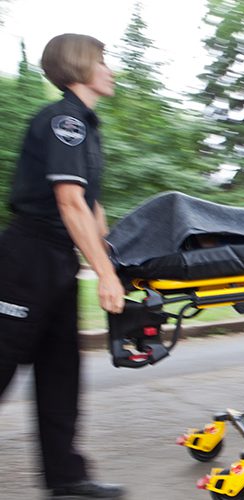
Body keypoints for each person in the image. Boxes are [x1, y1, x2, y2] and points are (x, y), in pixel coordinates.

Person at [0, 34, 126, 499]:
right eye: (102, 61)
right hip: (26, 260)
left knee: (60, 372)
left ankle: (66, 478)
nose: (110, 69)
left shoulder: (86, 126)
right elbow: (69, 202)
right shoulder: (64, 122)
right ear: (78, 66)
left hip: (56, 260)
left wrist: (112, 255)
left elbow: (90, 206)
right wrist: (105, 275)